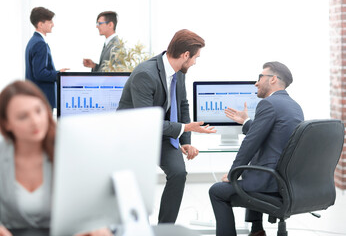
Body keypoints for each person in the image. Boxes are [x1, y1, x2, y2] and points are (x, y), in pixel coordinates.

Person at [117, 29, 216, 223]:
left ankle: (165, 228)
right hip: (135, 136)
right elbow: (145, 123)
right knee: (139, 183)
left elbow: (183, 105)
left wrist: (186, 141)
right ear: (185, 55)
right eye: (195, 57)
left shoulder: (179, 72)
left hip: (161, 133)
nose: (195, 62)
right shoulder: (145, 74)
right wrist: (186, 128)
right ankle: (138, 227)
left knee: (178, 173)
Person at [0, 81, 112, 236]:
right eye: (23, 116)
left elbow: (94, 204)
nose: (35, 121)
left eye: (38, 111)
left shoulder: (70, 148)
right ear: (6, 124)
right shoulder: (2, 155)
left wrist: (96, 225)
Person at [209, 62, 304, 236]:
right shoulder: (294, 106)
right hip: (288, 181)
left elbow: (250, 144)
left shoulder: (268, 104)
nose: (256, 83)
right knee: (253, 170)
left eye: (260, 77)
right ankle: (256, 230)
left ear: (273, 79)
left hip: (270, 182)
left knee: (216, 191)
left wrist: (233, 174)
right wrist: (246, 121)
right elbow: (274, 135)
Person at [25, 7, 69, 109]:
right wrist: (59, 73)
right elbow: (39, 73)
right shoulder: (40, 43)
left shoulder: (33, 41)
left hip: (35, 96)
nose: (53, 24)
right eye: (50, 22)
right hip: (42, 97)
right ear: (40, 24)